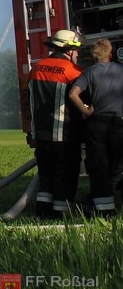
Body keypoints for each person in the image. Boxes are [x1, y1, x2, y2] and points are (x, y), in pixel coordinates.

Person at [27, 29, 83, 219]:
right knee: (66, 173)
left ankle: (43, 211)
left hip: (41, 133)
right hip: (63, 134)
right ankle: (62, 213)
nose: (77, 54)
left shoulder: (36, 68)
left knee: (46, 174)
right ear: (68, 49)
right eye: (76, 50)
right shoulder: (73, 71)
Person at [68, 39, 123, 217]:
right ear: (110, 54)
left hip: (96, 124)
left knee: (99, 167)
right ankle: (105, 199)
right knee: (116, 165)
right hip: (118, 124)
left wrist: (86, 110)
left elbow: (73, 94)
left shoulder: (89, 72)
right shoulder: (120, 70)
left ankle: (102, 208)